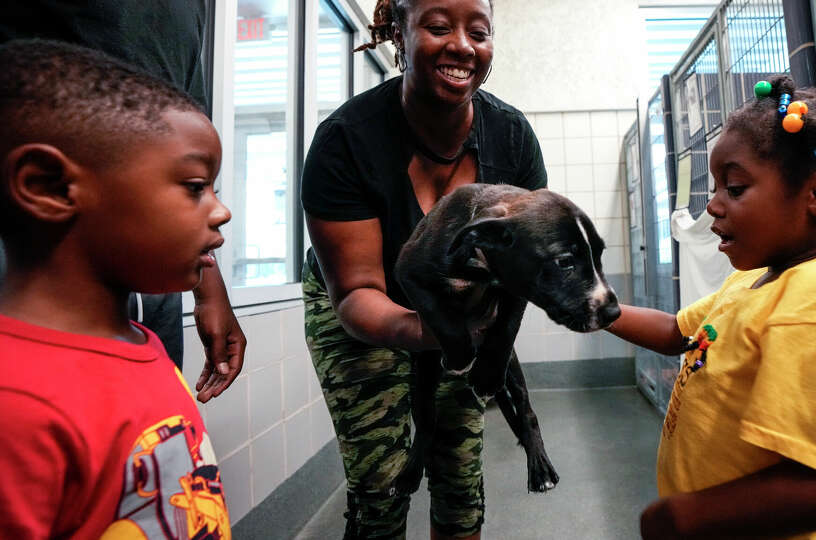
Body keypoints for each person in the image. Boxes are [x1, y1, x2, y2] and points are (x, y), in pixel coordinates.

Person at [607, 75, 816, 539]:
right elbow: (676, 333)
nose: (712, 205)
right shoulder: (755, 279)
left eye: (734, 188)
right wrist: (595, 309)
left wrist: (683, 517)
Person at [299, 0, 547, 537]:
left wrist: (478, 339)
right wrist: (432, 332)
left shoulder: (511, 139)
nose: (461, 44)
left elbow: (520, 268)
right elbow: (357, 291)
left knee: (458, 474)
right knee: (381, 483)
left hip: (459, 307)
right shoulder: (347, 140)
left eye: (478, 32)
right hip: (360, 307)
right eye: (438, 27)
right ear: (399, 33)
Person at [0, 39, 232, 537]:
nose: (220, 210)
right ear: (49, 187)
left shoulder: (142, 346)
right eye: (195, 187)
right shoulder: (15, 404)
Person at [0, 1, 246, 402]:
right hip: (40, 255)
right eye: (198, 187)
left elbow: (182, 126)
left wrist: (207, 282)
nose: (222, 212)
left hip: (147, 268)